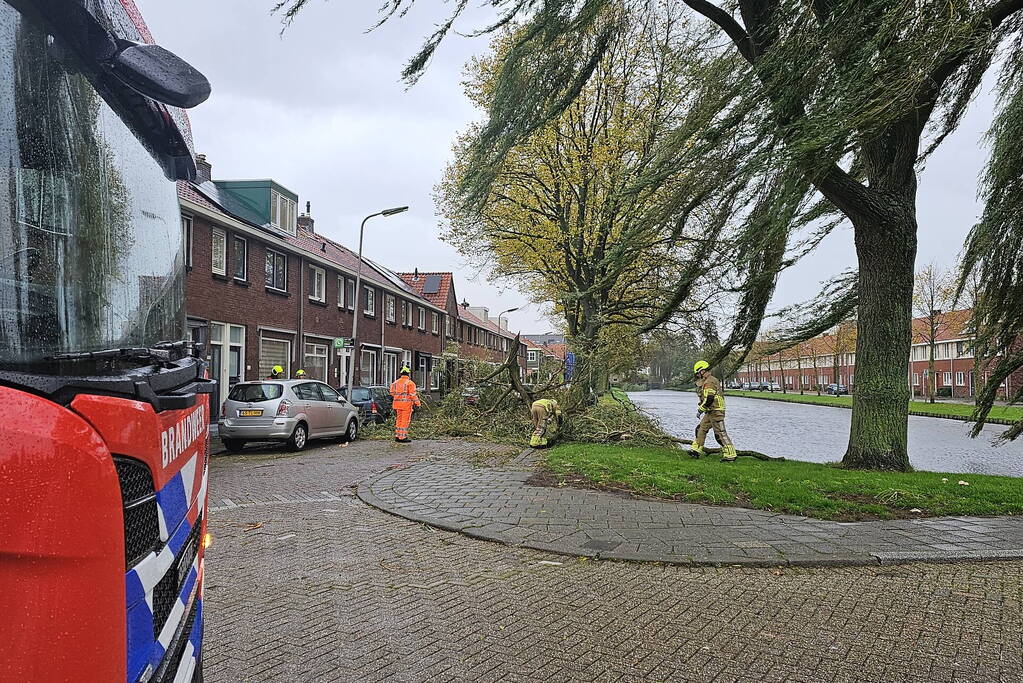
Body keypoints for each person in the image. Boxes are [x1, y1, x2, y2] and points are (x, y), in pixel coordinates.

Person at [690, 360, 737, 462]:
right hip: (711, 411)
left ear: (702, 371)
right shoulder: (707, 381)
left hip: (716, 411)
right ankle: (696, 450)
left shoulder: (709, 382)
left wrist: (700, 410)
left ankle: (730, 454)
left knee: (720, 433)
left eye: (698, 373)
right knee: (700, 429)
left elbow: (709, 399)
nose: (697, 376)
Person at [389, 364, 421, 443]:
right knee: (405, 421)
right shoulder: (410, 383)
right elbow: (413, 395)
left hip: (397, 405)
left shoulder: (395, 383)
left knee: (399, 420)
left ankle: (397, 435)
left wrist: (398, 397)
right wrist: (418, 403)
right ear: (408, 373)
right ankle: (402, 437)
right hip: (406, 405)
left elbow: (392, 393)